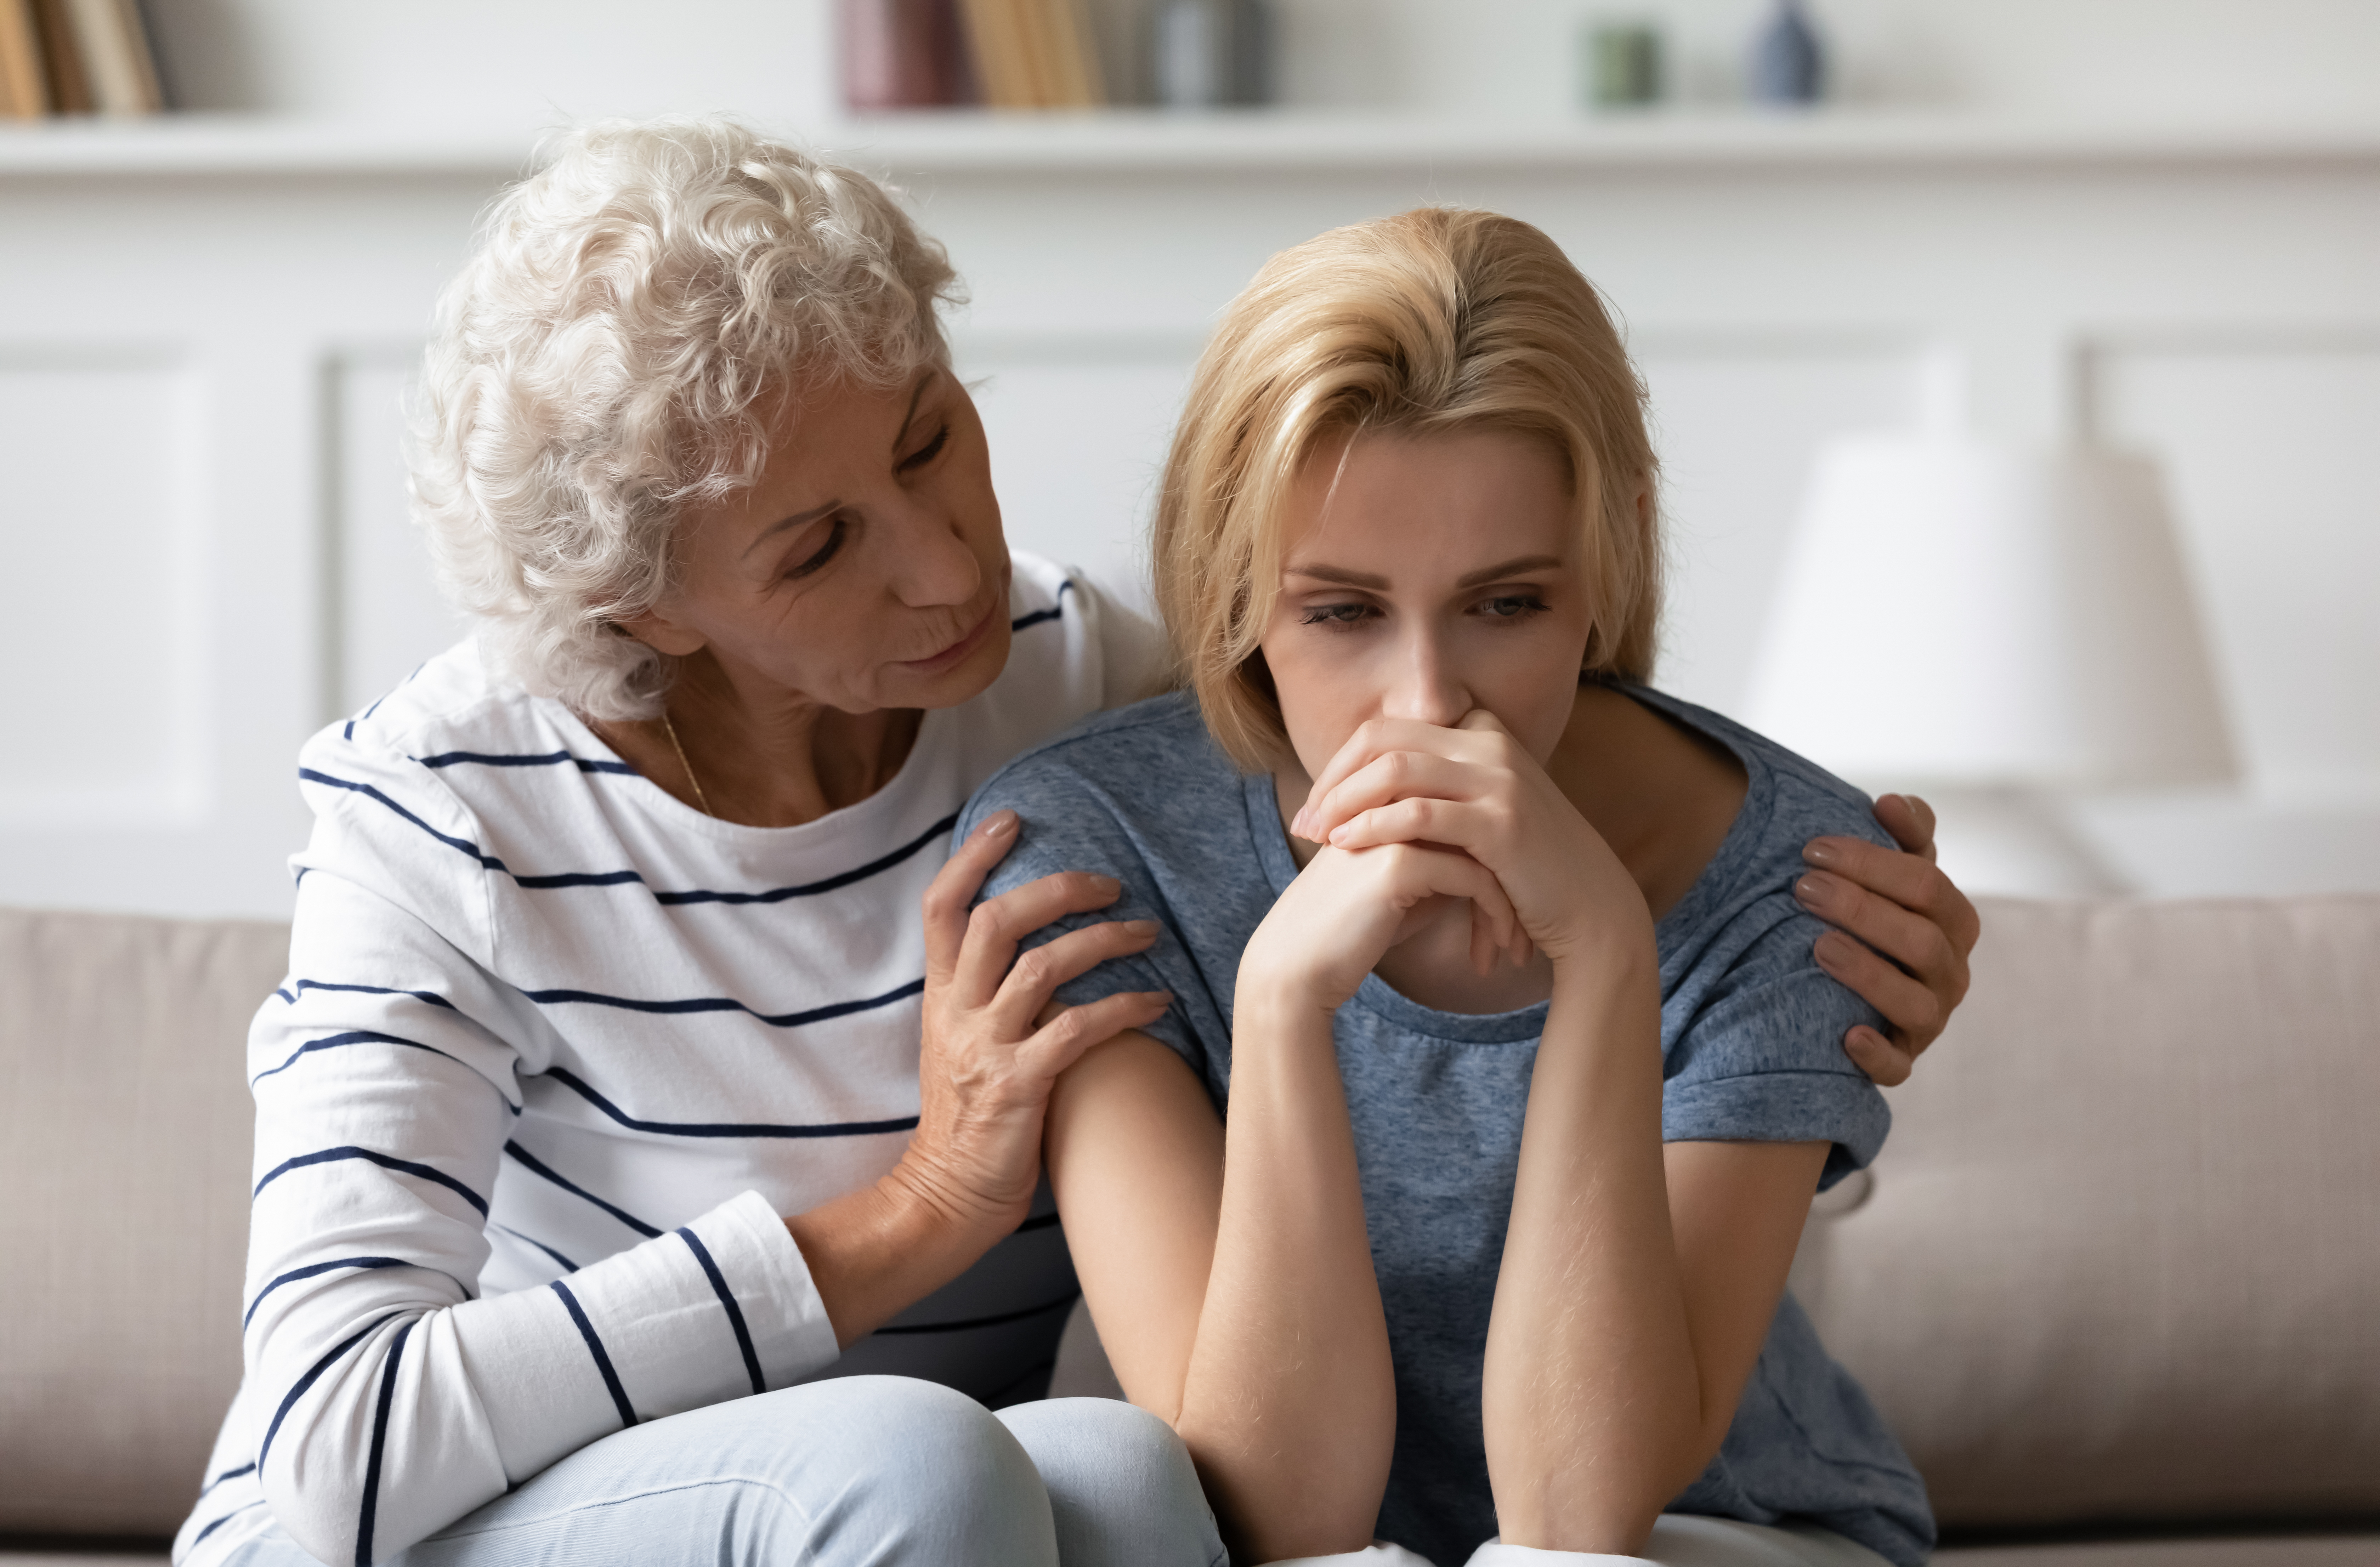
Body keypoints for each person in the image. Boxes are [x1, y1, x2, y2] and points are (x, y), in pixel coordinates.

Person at [177, 119, 1972, 1567]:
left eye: (932, 440)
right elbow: (331, 1440)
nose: (951, 565)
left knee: (1117, 1477)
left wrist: (1817, 932)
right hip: (467, 1518)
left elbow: (1428, 600)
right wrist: (916, 1212)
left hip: (994, 1510)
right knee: (921, 1462)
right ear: (641, 609)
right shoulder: (442, 814)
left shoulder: (1070, 691)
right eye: (818, 550)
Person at [966, 208, 1978, 1567]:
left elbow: (1581, 1523)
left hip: (1727, 1536)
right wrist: (1278, 1000)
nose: (1429, 702)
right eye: (1341, 611)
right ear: (1233, 576)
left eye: (1507, 605)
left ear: (1607, 554)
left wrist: (1607, 949)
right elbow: (1277, 1512)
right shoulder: (1094, 847)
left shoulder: (1797, 877)